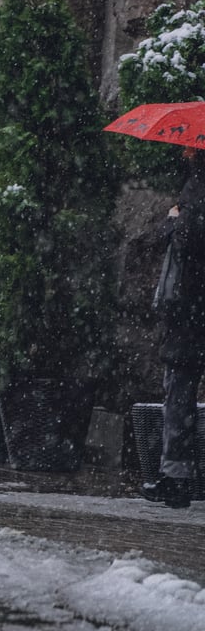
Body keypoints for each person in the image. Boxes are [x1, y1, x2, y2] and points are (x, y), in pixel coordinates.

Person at [144, 146, 205, 509]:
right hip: (192, 306)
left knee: (179, 391)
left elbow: (189, 238)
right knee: (178, 391)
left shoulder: (198, 185)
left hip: (190, 307)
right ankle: (177, 477)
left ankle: (178, 479)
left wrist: (172, 219)